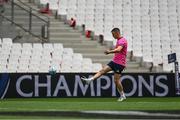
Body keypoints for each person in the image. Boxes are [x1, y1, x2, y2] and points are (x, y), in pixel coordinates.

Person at [81, 28, 128, 101]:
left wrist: (109, 52)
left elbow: (119, 50)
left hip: (119, 63)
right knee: (102, 71)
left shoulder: (122, 40)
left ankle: (122, 95)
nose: (112, 36)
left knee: (116, 80)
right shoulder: (119, 40)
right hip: (114, 61)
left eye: (113, 34)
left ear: (117, 33)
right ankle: (90, 80)